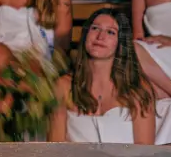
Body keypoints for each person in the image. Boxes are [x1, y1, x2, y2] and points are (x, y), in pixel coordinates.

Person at [48, 8, 156, 144]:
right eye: (95, 28)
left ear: (120, 42)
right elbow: (54, 149)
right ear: (85, 34)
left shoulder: (137, 90)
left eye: (110, 32)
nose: (100, 37)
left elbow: (145, 153)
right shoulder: (63, 86)